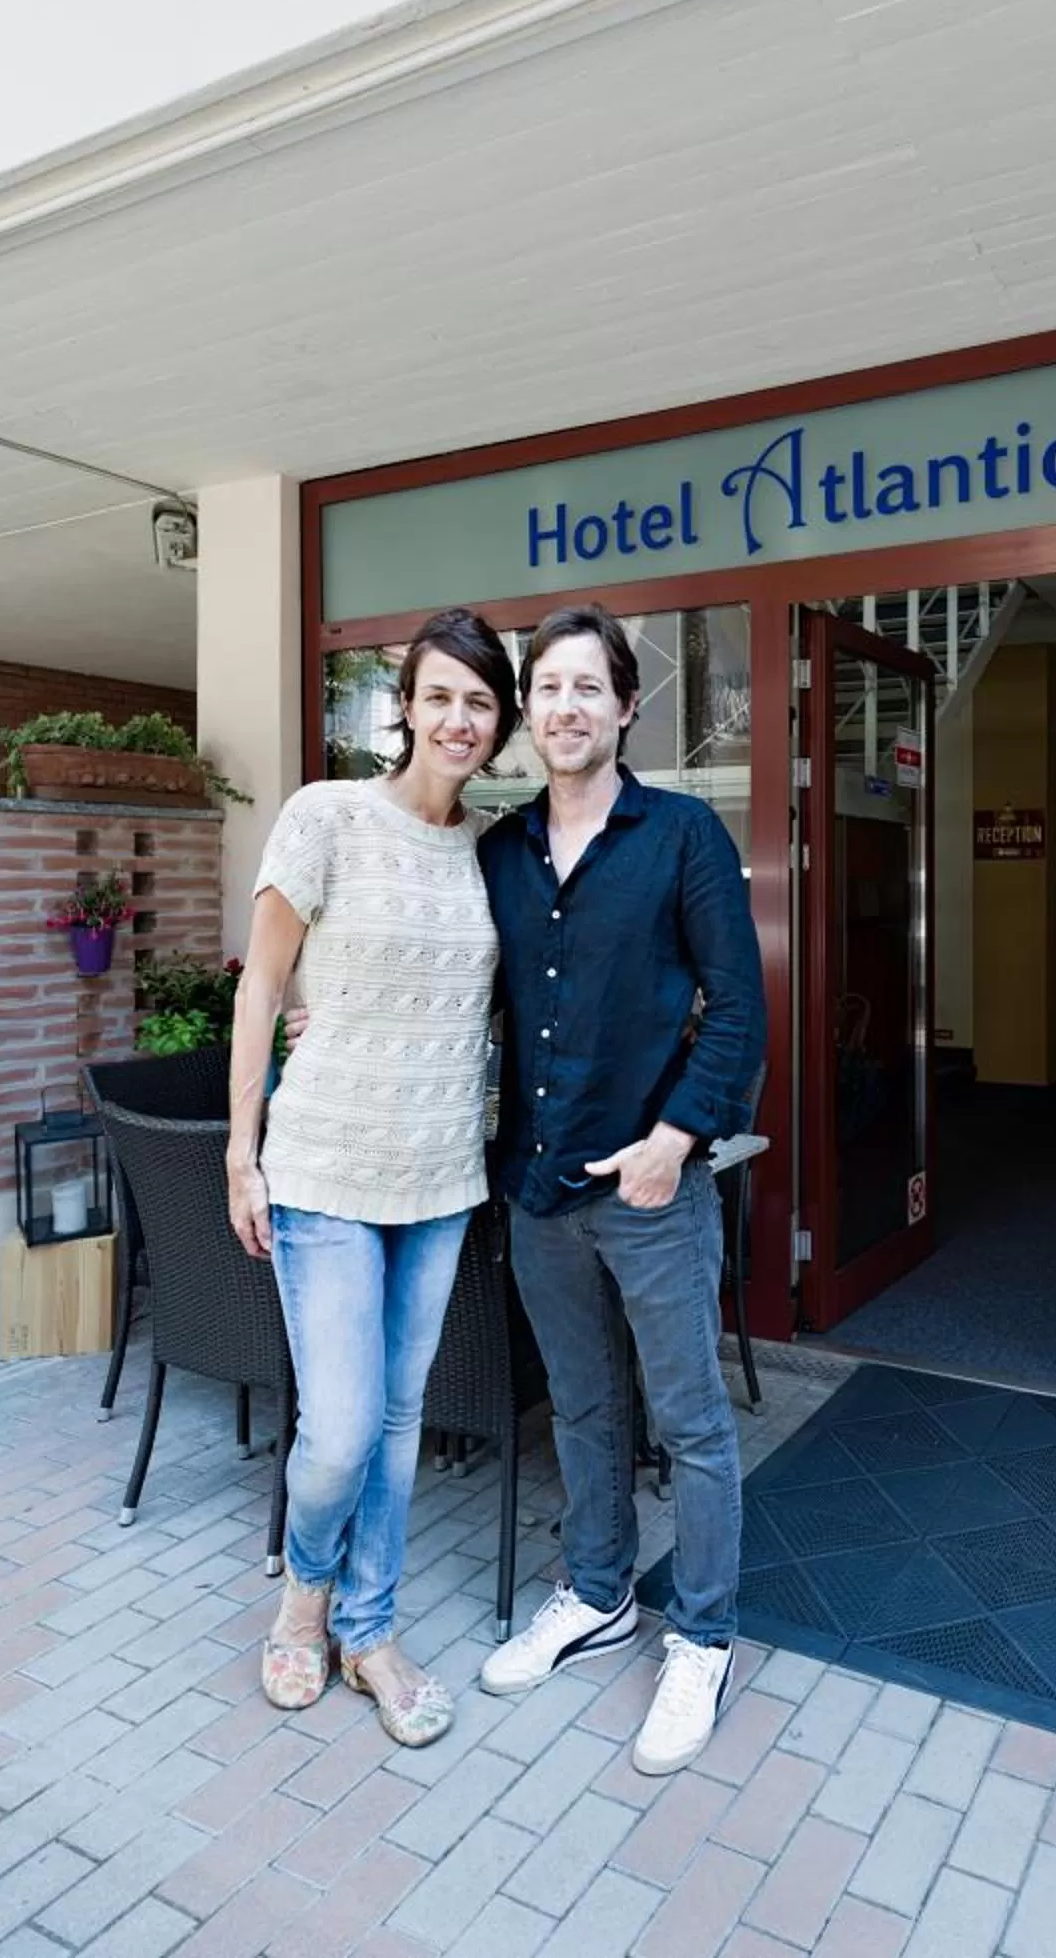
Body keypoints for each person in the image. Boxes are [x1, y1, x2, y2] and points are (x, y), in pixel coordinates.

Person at [474, 603, 764, 1776]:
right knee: (584, 1408)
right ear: (527, 710)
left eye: (588, 686)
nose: (566, 706)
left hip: (650, 1193)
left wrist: (673, 1139)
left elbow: (739, 1009)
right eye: (548, 687)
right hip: (538, 1188)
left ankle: (703, 1635)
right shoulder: (500, 852)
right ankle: (597, 1594)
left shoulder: (682, 835)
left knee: (690, 1422)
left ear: (626, 706)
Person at [225, 607, 519, 1748]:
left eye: (479, 703)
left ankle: (370, 1629)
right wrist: (241, 1151)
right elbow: (262, 986)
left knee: (400, 1421)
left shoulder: (492, 849)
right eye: (439, 696)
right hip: (325, 1167)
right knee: (341, 1428)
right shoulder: (326, 815)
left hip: (440, 1173)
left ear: (499, 724)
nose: (458, 719)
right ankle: (304, 1598)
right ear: (406, 706)